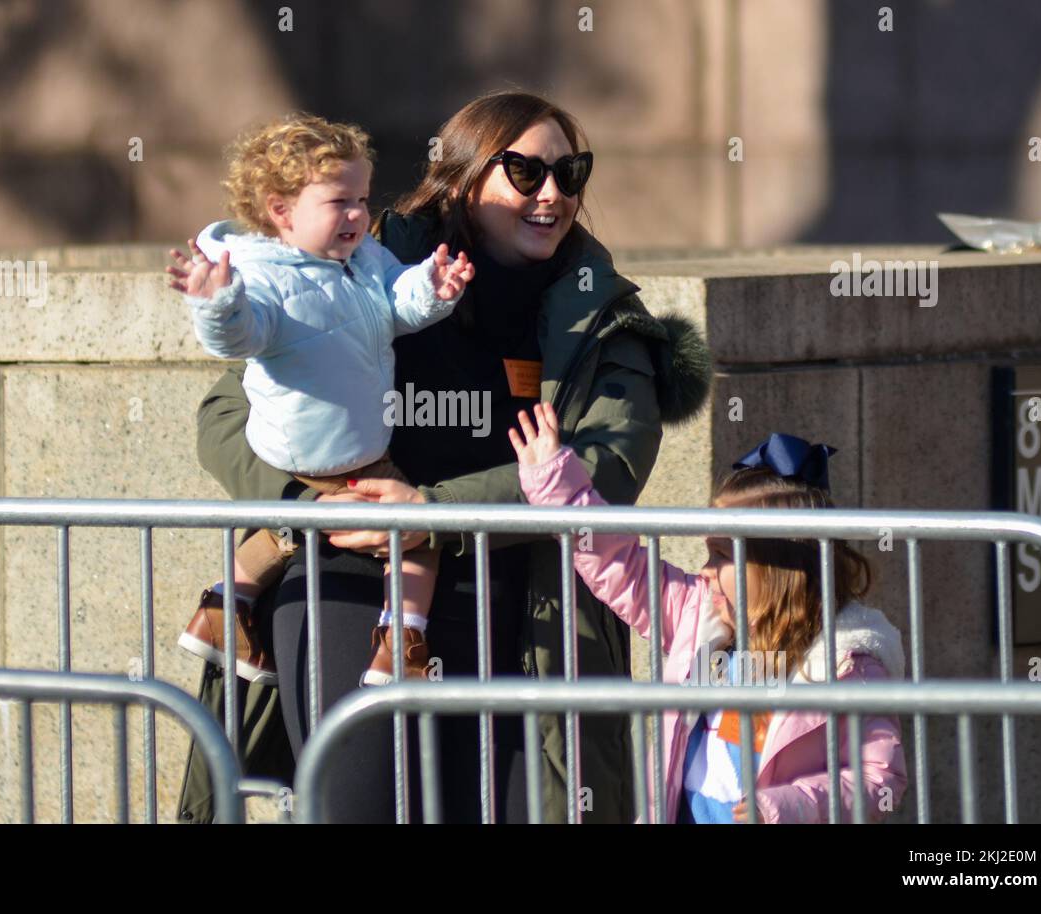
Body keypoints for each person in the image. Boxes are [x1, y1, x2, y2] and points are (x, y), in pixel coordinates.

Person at [174, 90, 712, 823]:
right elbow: (225, 413)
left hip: (532, 617)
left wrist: (431, 511)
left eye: (570, 172)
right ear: (462, 180)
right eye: (524, 172)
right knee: (356, 807)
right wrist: (304, 505)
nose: (553, 193)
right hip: (352, 588)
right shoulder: (357, 267)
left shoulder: (606, 317)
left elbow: (606, 469)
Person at [167, 113, 475, 687]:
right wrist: (216, 303)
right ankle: (402, 645)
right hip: (321, 448)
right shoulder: (260, 275)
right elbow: (241, 336)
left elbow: (397, 304)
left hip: (334, 446)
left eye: (361, 198)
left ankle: (220, 610)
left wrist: (433, 288)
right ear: (281, 211)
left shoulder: (361, 260)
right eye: (339, 201)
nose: (358, 214)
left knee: (288, 530)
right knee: (415, 540)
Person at [513, 406, 909, 823]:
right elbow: (619, 563)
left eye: (720, 555)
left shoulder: (847, 660)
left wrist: (791, 806)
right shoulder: (695, 613)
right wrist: (557, 485)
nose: (704, 570)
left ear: (773, 568)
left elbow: (879, 777)